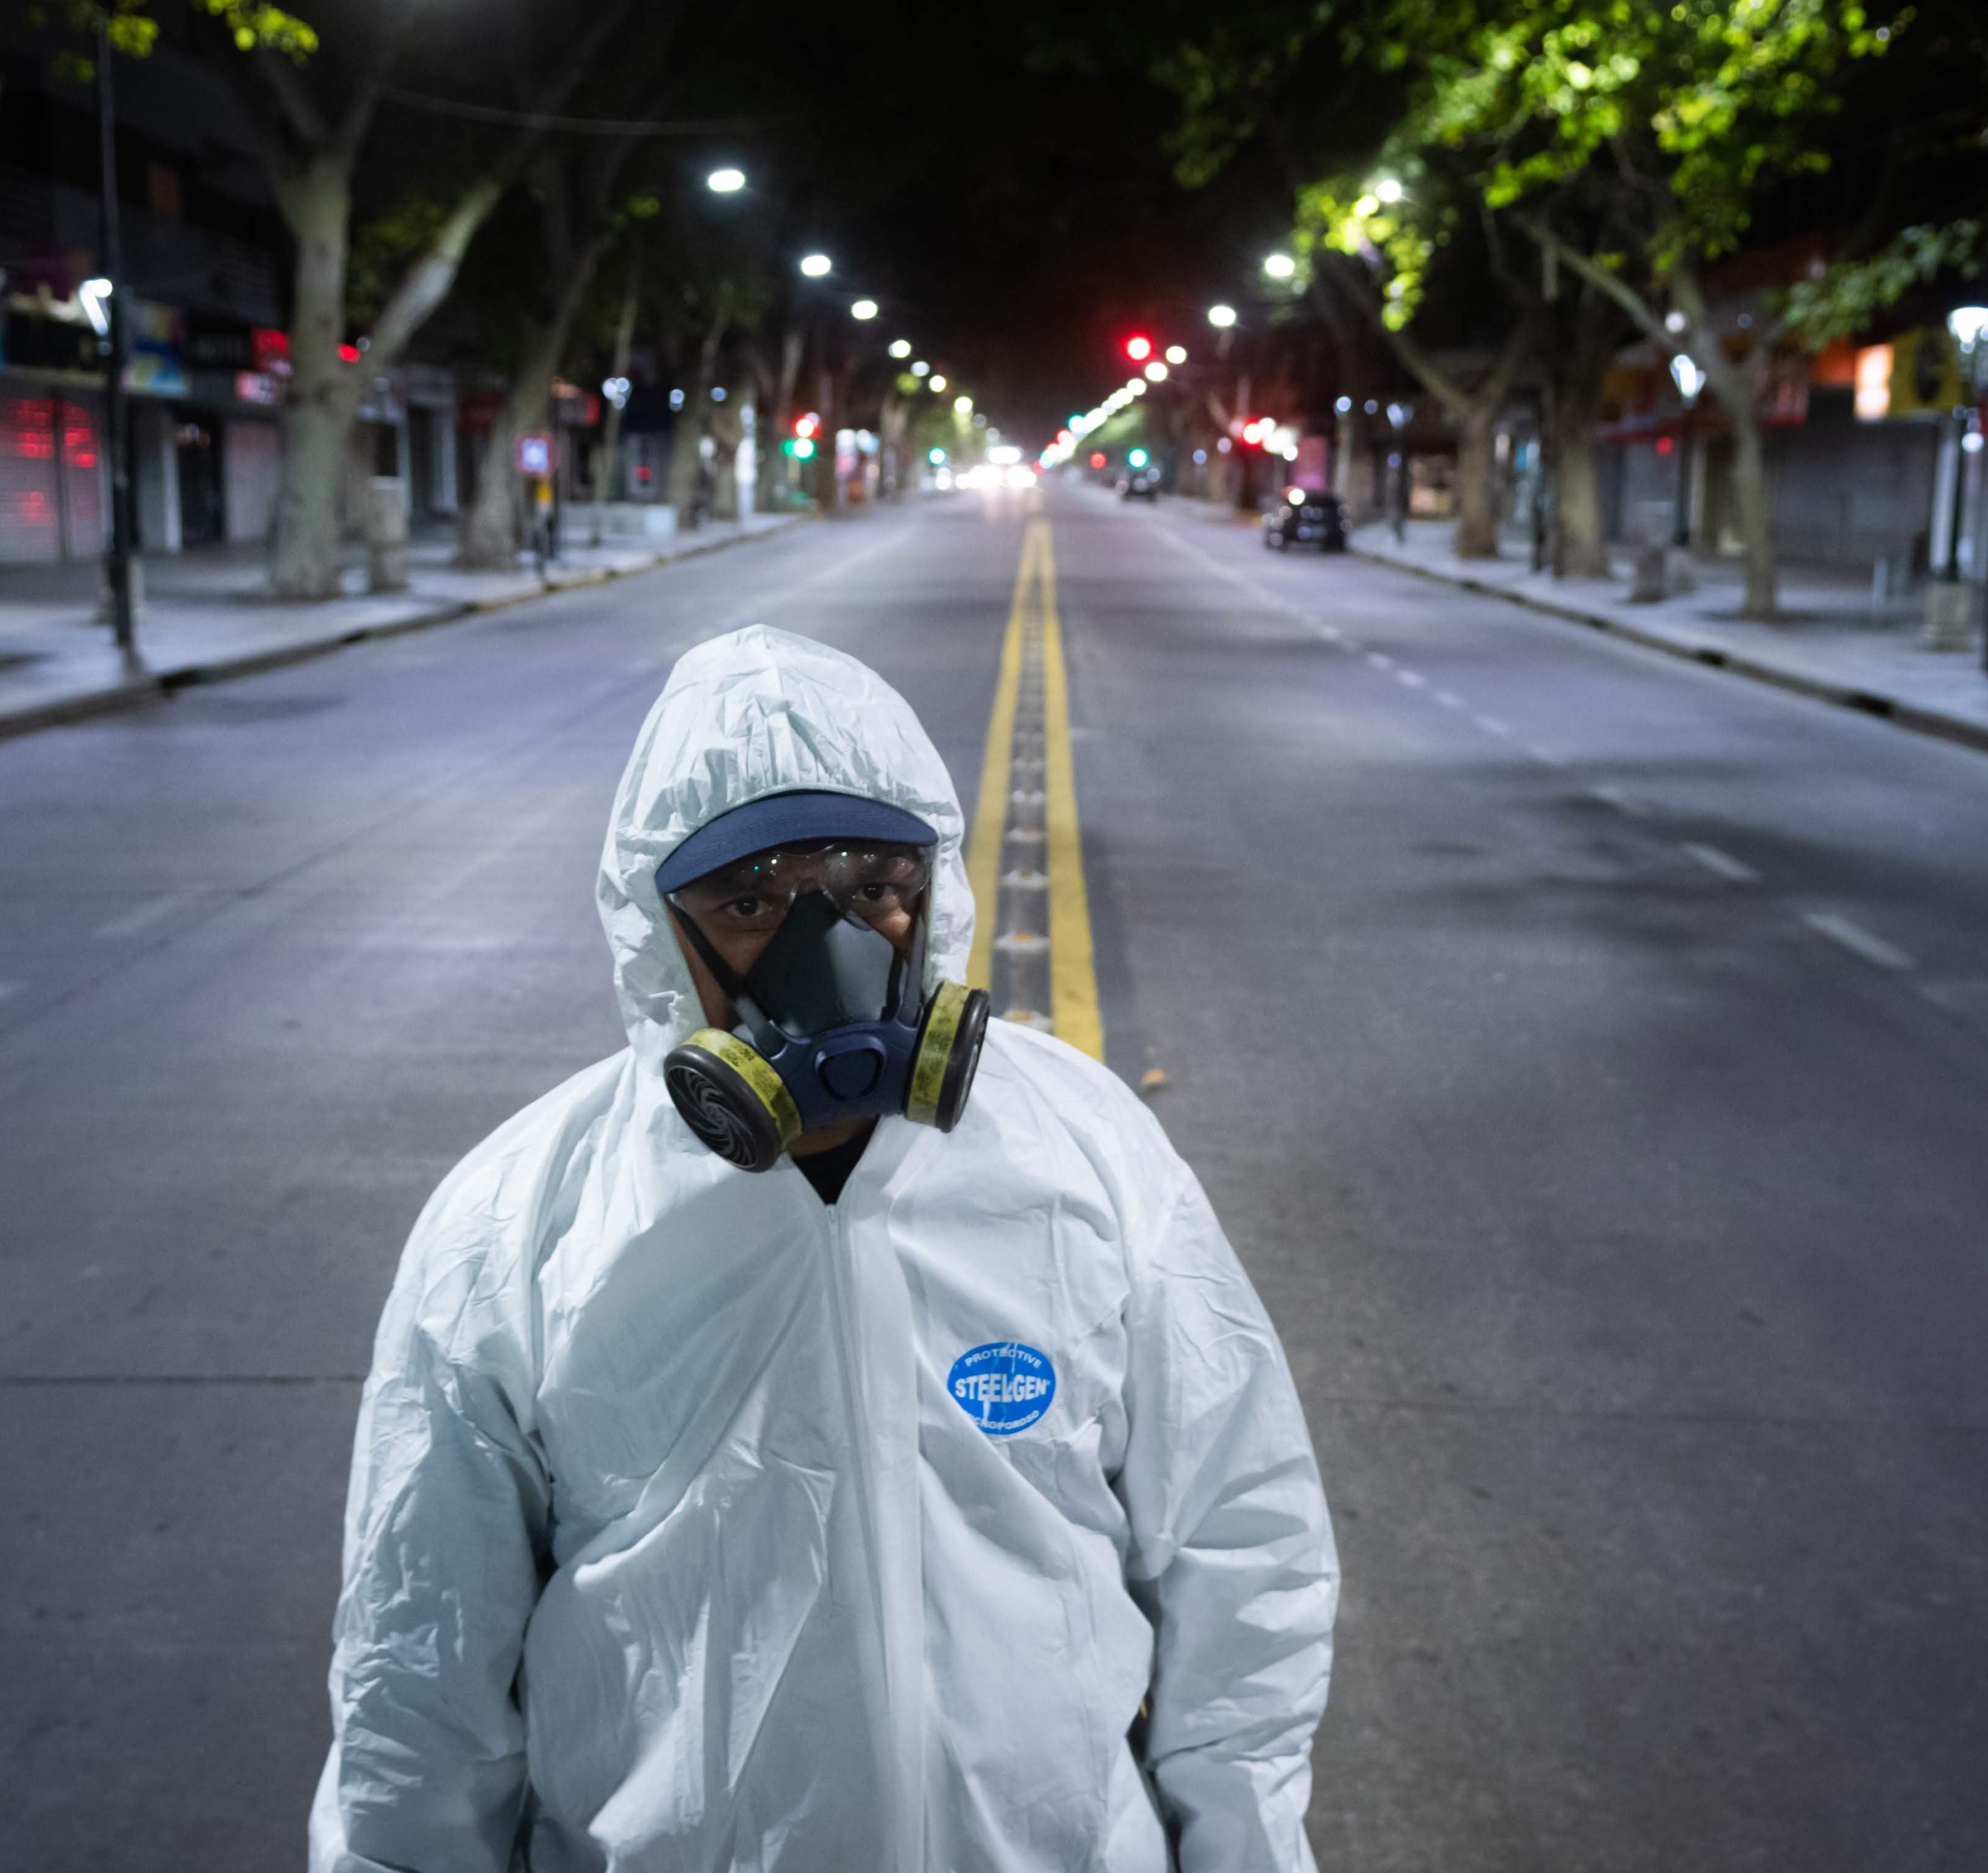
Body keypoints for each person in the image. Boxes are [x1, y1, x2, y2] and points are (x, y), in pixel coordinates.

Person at [311, 625, 1336, 1872]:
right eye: (750, 903)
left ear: (929, 890)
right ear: (659, 929)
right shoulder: (518, 1226)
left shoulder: (1086, 1157)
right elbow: (419, 1681)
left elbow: (1240, 1547)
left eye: (867, 885)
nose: (830, 950)